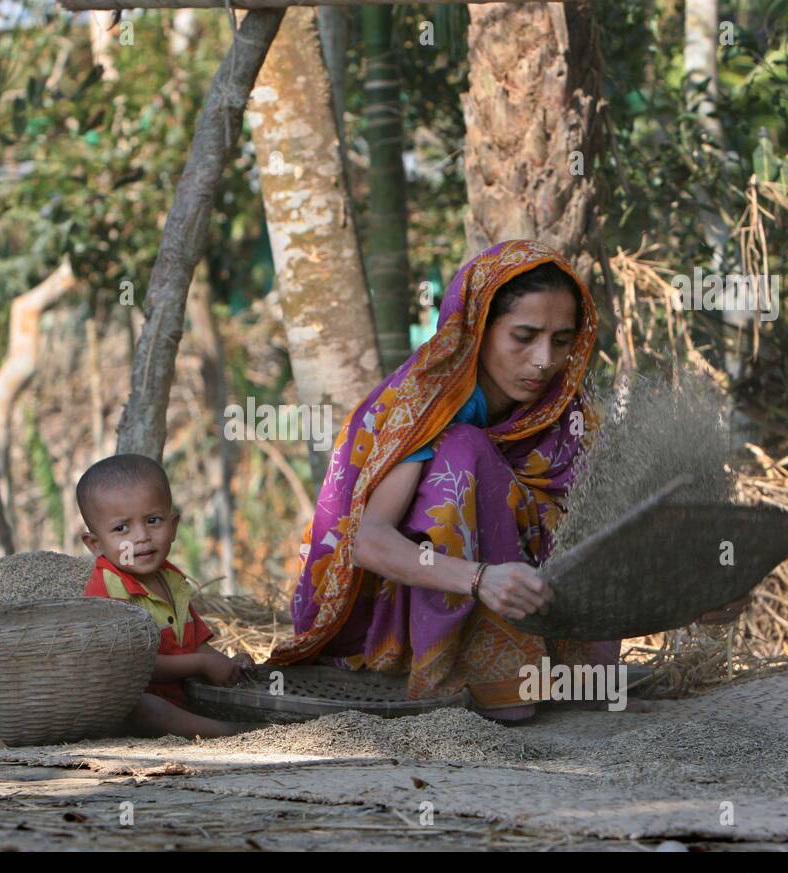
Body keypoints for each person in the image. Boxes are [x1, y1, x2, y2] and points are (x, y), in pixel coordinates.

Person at [268, 239, 747, 722]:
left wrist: (687, 594)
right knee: (464, 450)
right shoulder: (426, 405)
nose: (544, 359)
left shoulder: (567, 416)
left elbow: (600, 540)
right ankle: (464, 674)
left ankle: (563, 678)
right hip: (402, 612)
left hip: (525, 606)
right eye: (524, 336)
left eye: (562, 341)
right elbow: (368, 542)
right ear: (478, 329)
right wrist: (480, 580)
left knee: (589, 497)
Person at [79, 454, 254, 738]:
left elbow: (195, 645)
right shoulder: (108, 590)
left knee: (211, 694)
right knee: (145, 708)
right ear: (95, 543)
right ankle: (230, 734)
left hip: (178, 695)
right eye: (122, 528)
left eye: (153, 520)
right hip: (128, 700)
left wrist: (226, 664)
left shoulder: (172, 579)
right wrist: (201, 664)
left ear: (172, 526)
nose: (141, 537)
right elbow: (134, 666)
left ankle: (225, 726)